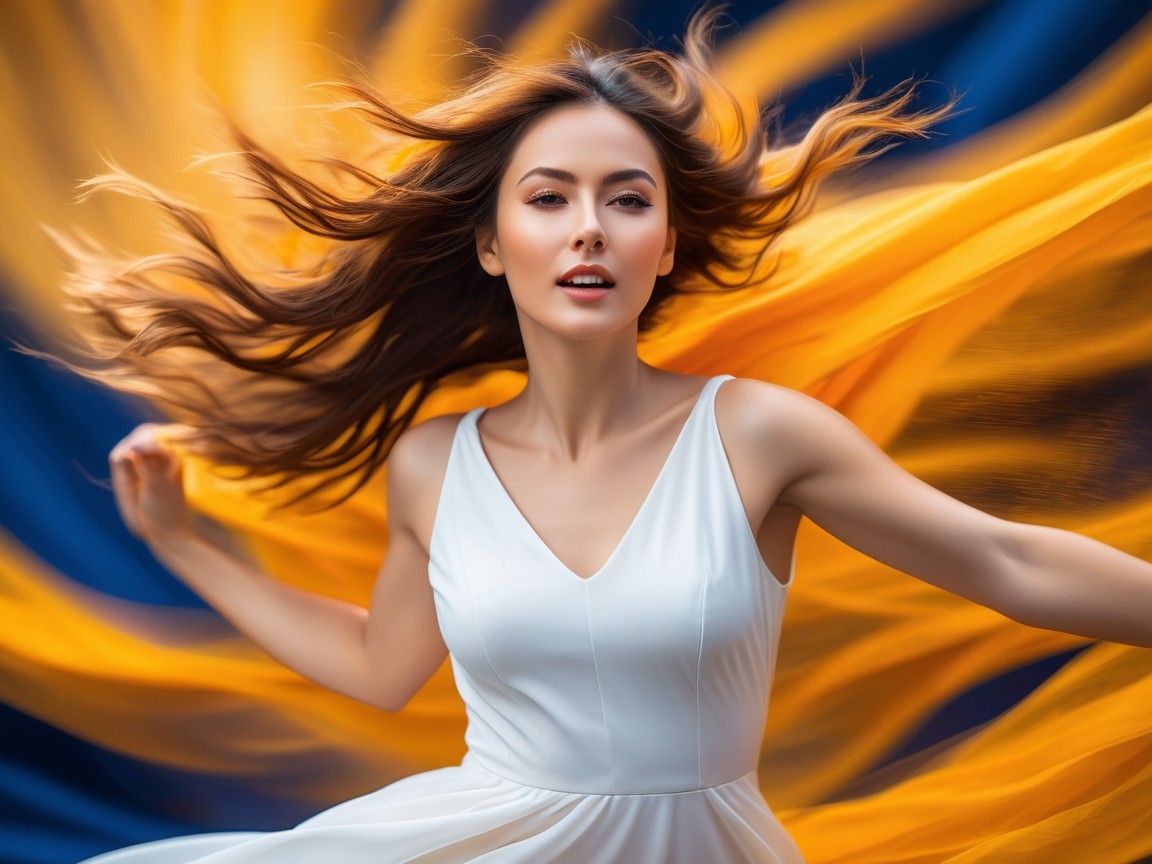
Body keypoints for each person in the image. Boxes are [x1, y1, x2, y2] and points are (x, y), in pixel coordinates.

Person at [64, 11, 1151, 864]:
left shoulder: (757, 435)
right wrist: (185, 544)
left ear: (666, 243)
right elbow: (379, 665)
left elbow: (1003, 558)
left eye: (626, 199)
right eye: (550, 197)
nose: (588, 225)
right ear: (492, 244)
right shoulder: (435, 464)